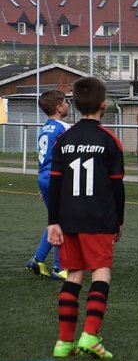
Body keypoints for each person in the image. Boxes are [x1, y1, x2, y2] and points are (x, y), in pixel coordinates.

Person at [47, 77, 125, 359]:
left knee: (75, 275)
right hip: (99, 217)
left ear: (76, 106)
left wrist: (52, 221)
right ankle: (90, 335)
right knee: (101, 273)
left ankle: (64, 342)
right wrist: (119, 220)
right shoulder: (109, 140)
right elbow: (117, 186)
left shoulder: (64, 139)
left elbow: (55, 183)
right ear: (104, 105)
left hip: (68, 219)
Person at [26, 89, 70, 281]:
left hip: (44, 177)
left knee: (56, 220)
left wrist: (45, 185)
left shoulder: (45, 128)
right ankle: (60, 268)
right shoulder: (64, 127)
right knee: (63, 222)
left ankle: (38, 259)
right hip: (56, 178)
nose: (68, 105)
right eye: (66, 102)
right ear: (59, 107)